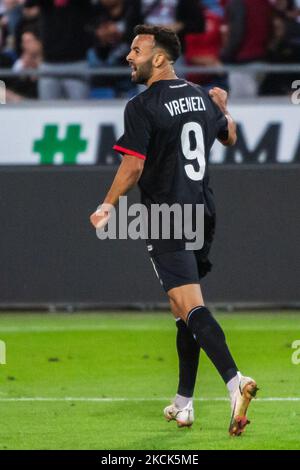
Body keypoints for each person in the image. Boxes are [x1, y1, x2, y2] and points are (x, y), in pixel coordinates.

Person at [90, 24, 258, 436]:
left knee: (189, 306)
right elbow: (230, 137)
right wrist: (225, 107)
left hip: (168, 215)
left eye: (136, 50)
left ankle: (235, 382)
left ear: (159, 58)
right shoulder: (202, 96)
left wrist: (106, 205)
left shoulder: (142, 105)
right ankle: (184, 403)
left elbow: (133, 166)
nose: (129, 57)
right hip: (203, 211)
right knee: (181, 310)